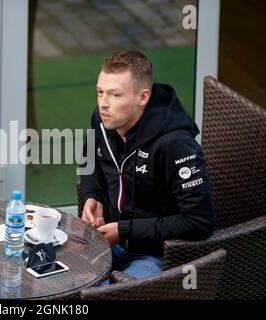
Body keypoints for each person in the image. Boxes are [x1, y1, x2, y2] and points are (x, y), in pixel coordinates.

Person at [80, 50, 215, 279]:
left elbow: (200, 222)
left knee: (110, 296)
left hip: (157, 255)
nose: (103, 104)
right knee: (51, 274)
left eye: (115, 95)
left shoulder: (176, 145)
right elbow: (89, 157)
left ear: (142, 97)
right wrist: (92, 195)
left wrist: (124, 231)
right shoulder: (103, 119)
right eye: (100, 92)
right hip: (107, 240)